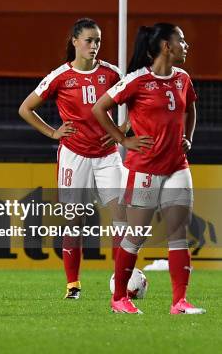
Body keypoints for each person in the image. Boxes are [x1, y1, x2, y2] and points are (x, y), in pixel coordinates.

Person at [92, 23, 204, 315]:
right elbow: (99, 108)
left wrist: (188, 137)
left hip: (177, 165)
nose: (185, 45)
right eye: (181, 40)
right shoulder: (137, 81)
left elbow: (191, 109)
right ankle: (119, 298)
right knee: (136, 234)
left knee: (178, 232)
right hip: (145, 169)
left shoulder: (183, 79)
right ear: (166, 46)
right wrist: (123, 139)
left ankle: (179, 303)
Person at [19, 18, 128, 299]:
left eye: (99, 41)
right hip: (74, 155)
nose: (95, 46)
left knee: (121, 218)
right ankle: (73, 286)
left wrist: (121, 131)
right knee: (74, 221)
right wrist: (53, 133)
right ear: (75, 42)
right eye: (90, 40)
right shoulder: (60, 76)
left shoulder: (112, 74)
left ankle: (121, 284)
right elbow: (26, 108)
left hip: (107, 156)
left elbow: (137, 102)